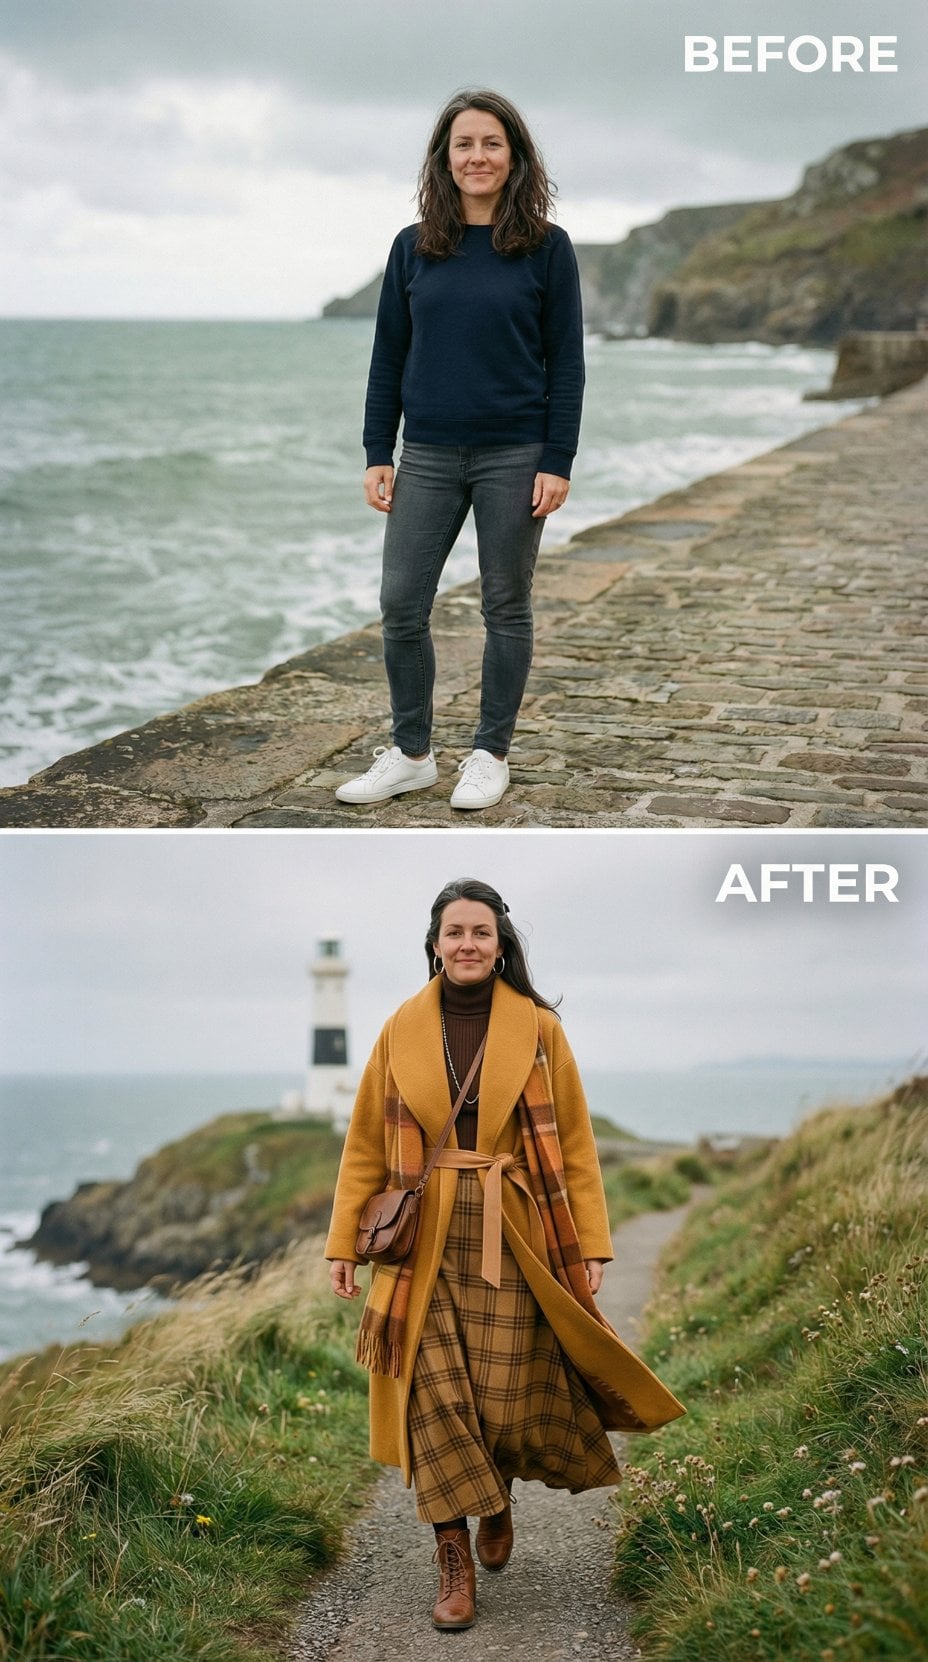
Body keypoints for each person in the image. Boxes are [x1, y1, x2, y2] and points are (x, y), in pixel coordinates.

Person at [325, 878, 685, 1631]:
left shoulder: (540, 1029)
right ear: (433, 943)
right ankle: (452, 1559)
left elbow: (577, 1145)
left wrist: (589, 1245)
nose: (466, 944)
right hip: (420, 1246)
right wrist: (343, 1245)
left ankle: (496, 1499)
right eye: (454, 931)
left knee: (501, 1394)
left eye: (480, 932)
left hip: (512, 1232)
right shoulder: (399, 1029)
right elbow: (364, 1145)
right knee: (435, 1398)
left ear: (500, 943)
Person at [335, 90, 585, 813]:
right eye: (464, 145)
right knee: (400, 604)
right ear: (445, 159)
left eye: (491, 144)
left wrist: (557, 460)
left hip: (517, 453)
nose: (477, 157)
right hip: (430, 455)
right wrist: (377, 448)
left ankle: (489, 752)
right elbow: (389, 355)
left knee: (506, 606)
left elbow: (566, 363)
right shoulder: (413, 246)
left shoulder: (547, 247)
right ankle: (413, 753)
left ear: (515, 158)